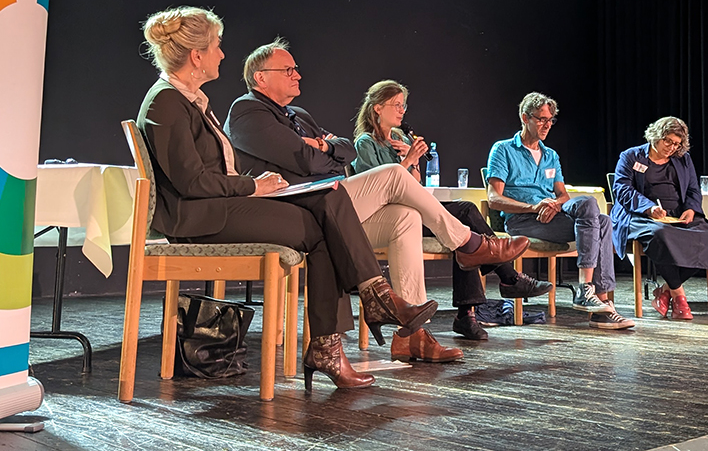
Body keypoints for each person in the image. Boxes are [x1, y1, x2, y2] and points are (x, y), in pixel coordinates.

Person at [135, 7, 435, 391]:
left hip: (215, 206)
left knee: (327, 201)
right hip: (198, 219)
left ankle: (357, 318)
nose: (222, 54)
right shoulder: (166, 102)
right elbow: (192, 181)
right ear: (197, 56)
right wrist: (253, 186)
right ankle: (359, 314)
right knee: (323, 223)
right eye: (217, 46)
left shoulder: (187, 100)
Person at [224, 39, 529, 363]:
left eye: (295, 68)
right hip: (296, 210)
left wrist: (322, 146)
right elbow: (304, 160)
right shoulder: (247, 111)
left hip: (331, 204)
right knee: (394, 175)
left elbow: (343, 151)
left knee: (406, 218)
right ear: (261, 77)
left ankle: (412, 336)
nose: (297, 75)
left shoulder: (298, 114)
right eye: (288, 70)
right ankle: (470, 245)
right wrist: (320, 151)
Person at [353, 80, 552, 342]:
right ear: (378, 108)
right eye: (397, 105)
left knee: (465, 216)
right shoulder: (366, 143)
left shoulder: (399, 139)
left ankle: (471, 311)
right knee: (465, 225)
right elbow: (381, 190)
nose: (402, 110)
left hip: (413, 211)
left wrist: (413, 162)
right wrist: (408, 159)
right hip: (391, 219)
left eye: (404, 105)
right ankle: (503, 281)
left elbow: (414, 186)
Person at [486, 92, 635, 330]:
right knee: (601, 222)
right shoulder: (503, 150)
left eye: (550, 120)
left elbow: (563, 194)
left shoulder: (551, 155)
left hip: (553, 216)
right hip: (523, 220)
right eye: (541, 119)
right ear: (525, 118)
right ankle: (597, 301)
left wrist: (555, 204)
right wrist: (534, 207)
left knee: (598, 214)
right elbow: (494, 199)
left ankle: (593, 297)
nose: (547, 125)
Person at [611, 117, 708, 320]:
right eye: (667, 141)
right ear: (655, 136)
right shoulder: (631, 156)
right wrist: (649, 208)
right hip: (639, 215)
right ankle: (679, 296)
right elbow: (622, 189)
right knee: (660, 234)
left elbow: (693, 189)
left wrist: (691, 209)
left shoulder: (683, 159)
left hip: (676, 214)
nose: (671, 147)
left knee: (706, 237)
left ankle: (666, 290)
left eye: (677, 144)